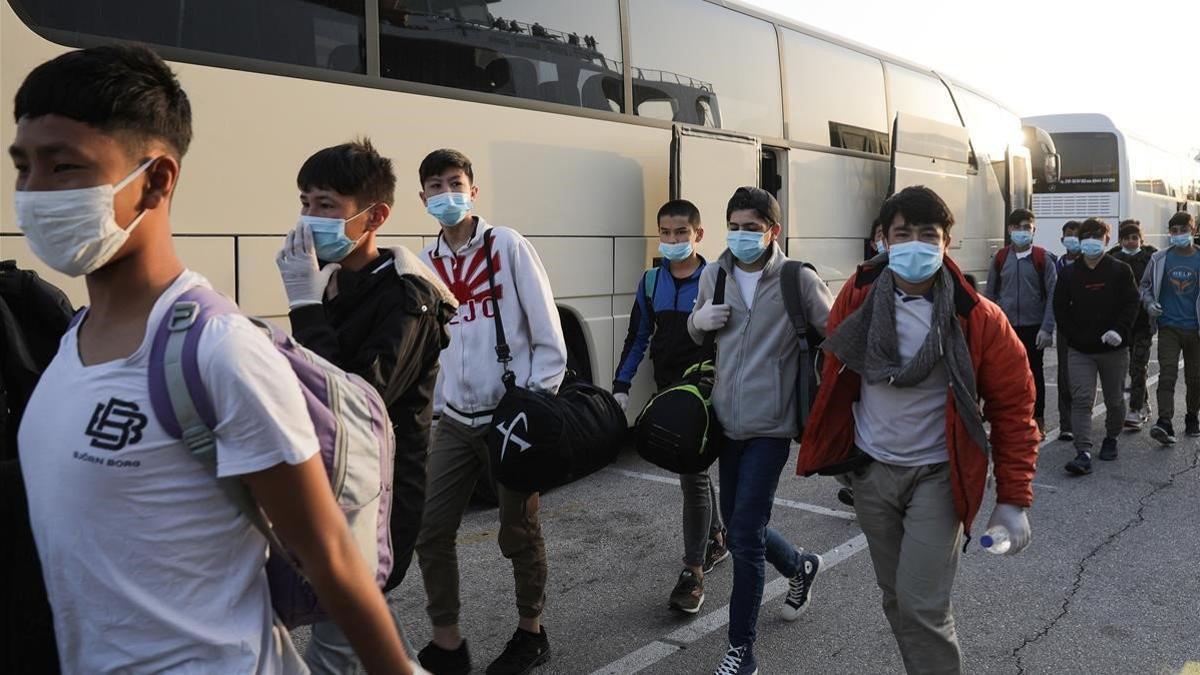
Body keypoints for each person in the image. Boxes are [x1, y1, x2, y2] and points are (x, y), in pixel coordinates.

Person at [11, 45, 416, 673]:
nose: (35, 192)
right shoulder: (72, 341)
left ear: (156, 179)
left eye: (65, 167)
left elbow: (330, 555)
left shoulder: (217, 351)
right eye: (23, 167)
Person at [798, 185, 1038, 675]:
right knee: (897, 599)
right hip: (870, 472)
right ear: (881, 240)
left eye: (927, 234)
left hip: (937, 476)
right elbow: (834, 375)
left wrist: (1013, 500)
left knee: (922, 605)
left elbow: (1015, 408)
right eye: (901, 233)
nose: (913, 244)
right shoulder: (858, 296)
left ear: (946, 241)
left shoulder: (978, 317)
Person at [276, 138, 457, 672]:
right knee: (354, 623)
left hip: (380, 492)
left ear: (374, 215)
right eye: (304, 202)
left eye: (326, 205)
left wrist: (305, 307)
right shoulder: (330, 280)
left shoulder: (408, 300)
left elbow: (354, 403)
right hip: (331, 482)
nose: (309, 218)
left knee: (346, 623)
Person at [415, 149, 566, 675]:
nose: (446, 194)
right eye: (435, 186)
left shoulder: (507, 245)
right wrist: (430, 412)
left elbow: (549, 336)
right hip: (454, 419)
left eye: (455, 183)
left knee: (517, 533)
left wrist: (532, 403)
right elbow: (426, 347)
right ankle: (447, 640)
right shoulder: (423, 263)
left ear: (473, 190)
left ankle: (531, 632)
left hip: (509, 418)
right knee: (429, 530)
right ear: (423, 198)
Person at [687, 186, 833, 675]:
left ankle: (741, 650)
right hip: (725, 421)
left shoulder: (796, 279)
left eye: (753, 226)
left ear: (773, 230)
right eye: (735, 224)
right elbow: (697, 330)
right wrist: (697, 320)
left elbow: (835, 334)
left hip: (772, 426)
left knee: (744, 538)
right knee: (739, 526)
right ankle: (799, 565)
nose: (742, 234)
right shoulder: (715, 273)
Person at [612, 199, 728, 614]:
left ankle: (693, 572)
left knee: (692, 475)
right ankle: (717, 539)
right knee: (694, 467)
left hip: (705, 391)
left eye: (681, 232)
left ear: (698, 235)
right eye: (665, 232)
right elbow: (638, 337)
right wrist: (621, 386)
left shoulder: (718, 279)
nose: (673, 240)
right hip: (669, 390)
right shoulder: (649, 282)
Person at [1054, 218, 1139, 473]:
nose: (1091, 241)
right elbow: (1060, 308)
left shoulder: (1120, 270)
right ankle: (1083, 452)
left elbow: (1131, 304)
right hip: (1080, 350)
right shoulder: (1069, 273)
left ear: (1106, 240)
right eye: (1087, 236)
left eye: (1097, 236)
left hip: (1114, 348)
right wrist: (1073, 337)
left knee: (1114, 401)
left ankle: (1111, 438)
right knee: (1081, 399)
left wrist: (1119, 331)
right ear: (1080, 241)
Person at [985, 208, 1057, 439]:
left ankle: (1038, 421)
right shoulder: (1000, 258)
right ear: (1009, 230)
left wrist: (1047, 328)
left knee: (1034, 374)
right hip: (1006, 328)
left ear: (1034, 230)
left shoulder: (1043, 259)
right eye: (1017, 227)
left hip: (1033, 327)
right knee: (1004, 376)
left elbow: (1052, 296)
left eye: (1027, 227)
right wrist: (990, 326)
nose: (1022, 231)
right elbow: (989, 296)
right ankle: (1006, 422)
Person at [1142, 212, 1200, 445]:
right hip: (1169, 327)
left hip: (1195, 330)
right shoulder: (1159, 258)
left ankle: (1192, 416)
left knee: (1195, 378)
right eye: (1173, 231)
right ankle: (1164, 422)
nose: (1178, 235)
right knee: (1167, 374)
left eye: (1183, 230)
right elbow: (1144, 286)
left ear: (1193, 230)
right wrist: (1149, 304)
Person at [1108, 219, 1156, 430]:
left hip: (1144, 322)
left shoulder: (1150, 258)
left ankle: (1135, 409)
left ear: (1141, 239)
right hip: (1123, 323)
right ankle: (1143, 401)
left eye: (1134, 237)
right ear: (1120, 240)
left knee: (1139, 366)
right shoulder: (1114, 259)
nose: (1131, 241)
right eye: (1126, 238)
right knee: (1130, 367)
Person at [1055, 220, 1083, 442]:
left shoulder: (1088, 264)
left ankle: (1082, 418)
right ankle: (1066, 424)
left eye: (1076, 235)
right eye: (1068, 235)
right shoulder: (1056, 263)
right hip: (1064, 327)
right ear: (1062, 238)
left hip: (1087, 326)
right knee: (1064, 375)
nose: (1072, 238)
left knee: (1083, 375)